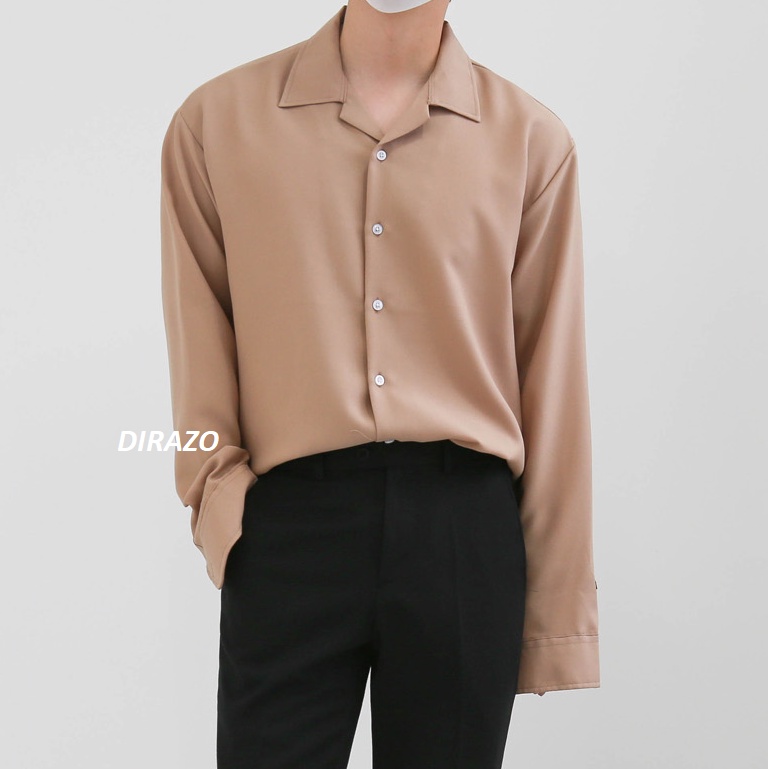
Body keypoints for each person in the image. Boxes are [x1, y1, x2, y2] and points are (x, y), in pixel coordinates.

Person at [159, 1, 600, 766]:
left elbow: (551, 383)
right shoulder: (215, 123)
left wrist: (556, 614)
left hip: (461, 532)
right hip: (289, 525)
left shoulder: (531, 140)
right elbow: (197, 342)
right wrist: (224, 506)